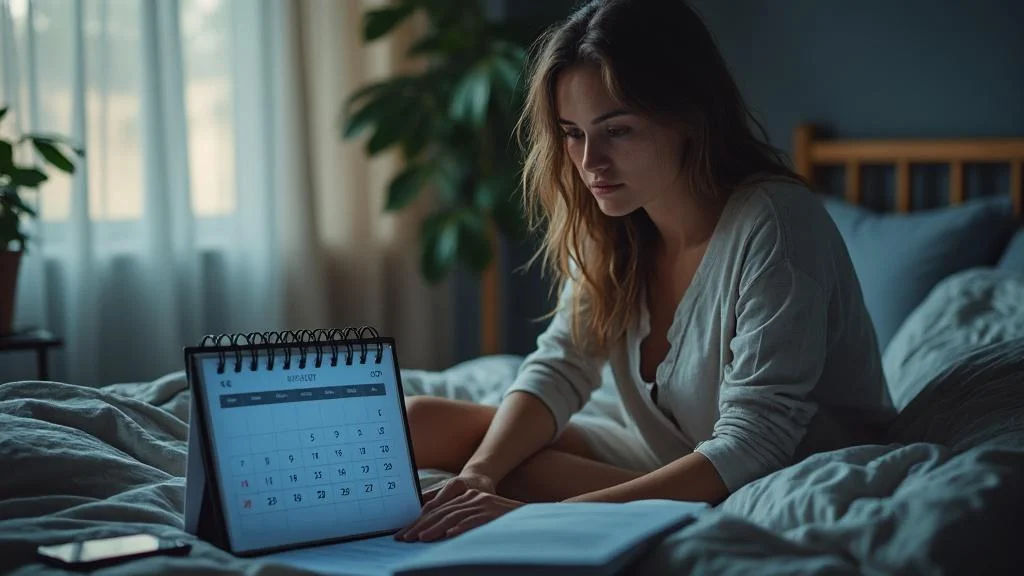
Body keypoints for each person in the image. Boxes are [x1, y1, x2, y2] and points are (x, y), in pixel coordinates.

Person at [394, 0, 894, 543]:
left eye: (618, 131)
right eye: (572, 133)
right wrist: (478, 475)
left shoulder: (777, 224)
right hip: (662, 448)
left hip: (758, 471)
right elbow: (562, 366)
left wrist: (540, 515)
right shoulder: (618, 221)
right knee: (414, 422)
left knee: (527, 475)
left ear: (688, 115)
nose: (589, 163)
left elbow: (756, 442)